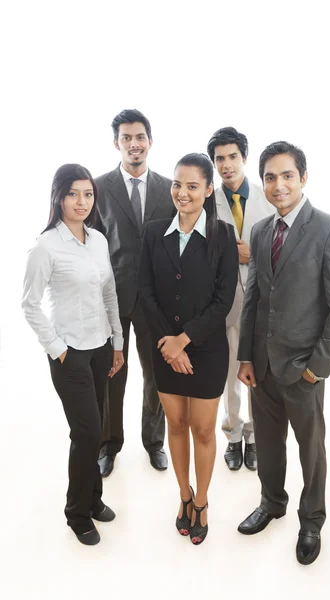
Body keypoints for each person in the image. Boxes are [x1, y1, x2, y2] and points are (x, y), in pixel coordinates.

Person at [237, 142, 330, 565]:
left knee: (311, 448)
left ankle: (312, 520)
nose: (278, 184)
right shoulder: (260, 231)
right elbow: (253, 298)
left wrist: (316, 369)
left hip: (303, 367)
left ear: (303, 178)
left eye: (287, 175)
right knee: (269, 443)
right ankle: (272, 503)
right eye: (270, 177)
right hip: (263, 365)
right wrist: (246, 358)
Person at [22, 164, 124, 546]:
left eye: (88, 194)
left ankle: (94, 499)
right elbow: (29, 305)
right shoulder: (46, 246)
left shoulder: (97, 239)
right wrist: (58, 350)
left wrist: (116, 343)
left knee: (95, 430)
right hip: (70, 355)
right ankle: (77, 514)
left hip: (100, 347)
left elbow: (109, 293)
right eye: (73, 194)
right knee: (86, 433)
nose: (82, 202)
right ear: (58, 197)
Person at [139, 153, 238, 545]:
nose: (182, 193)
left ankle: (201, 500)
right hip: (164, 349)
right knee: (175, 425)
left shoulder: (222, 236)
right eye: (177, 185)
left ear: (209, 190)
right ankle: (183, 495)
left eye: (192, 186)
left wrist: (186, 339)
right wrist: (170, 344)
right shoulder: (152, 233)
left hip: (207, 351)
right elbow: (145, 292)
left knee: (203, 429)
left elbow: (223, 300)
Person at [94, 109, 176, 476]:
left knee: (156, 372)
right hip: (111, 299)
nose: (133, 143)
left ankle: (153, 441)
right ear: (116, 143)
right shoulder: (97, 188)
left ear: (150, 141)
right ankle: (109, 445)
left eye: (139, 136)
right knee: (113, 373)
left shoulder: (168, 188)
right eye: (126, 137)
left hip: (156, 299)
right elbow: (90, 243)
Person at [207, 126, 274, 471]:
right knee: (230, 373)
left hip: (262, 303)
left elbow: (284, 248)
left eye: (233, 157)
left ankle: (254, 435)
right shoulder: (207, 203)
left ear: (244, 158)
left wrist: (254, 256)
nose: (227, 165)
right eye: (220, 159)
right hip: (227, 303)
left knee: (258, 375)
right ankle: (233, 435)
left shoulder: (268, 198)